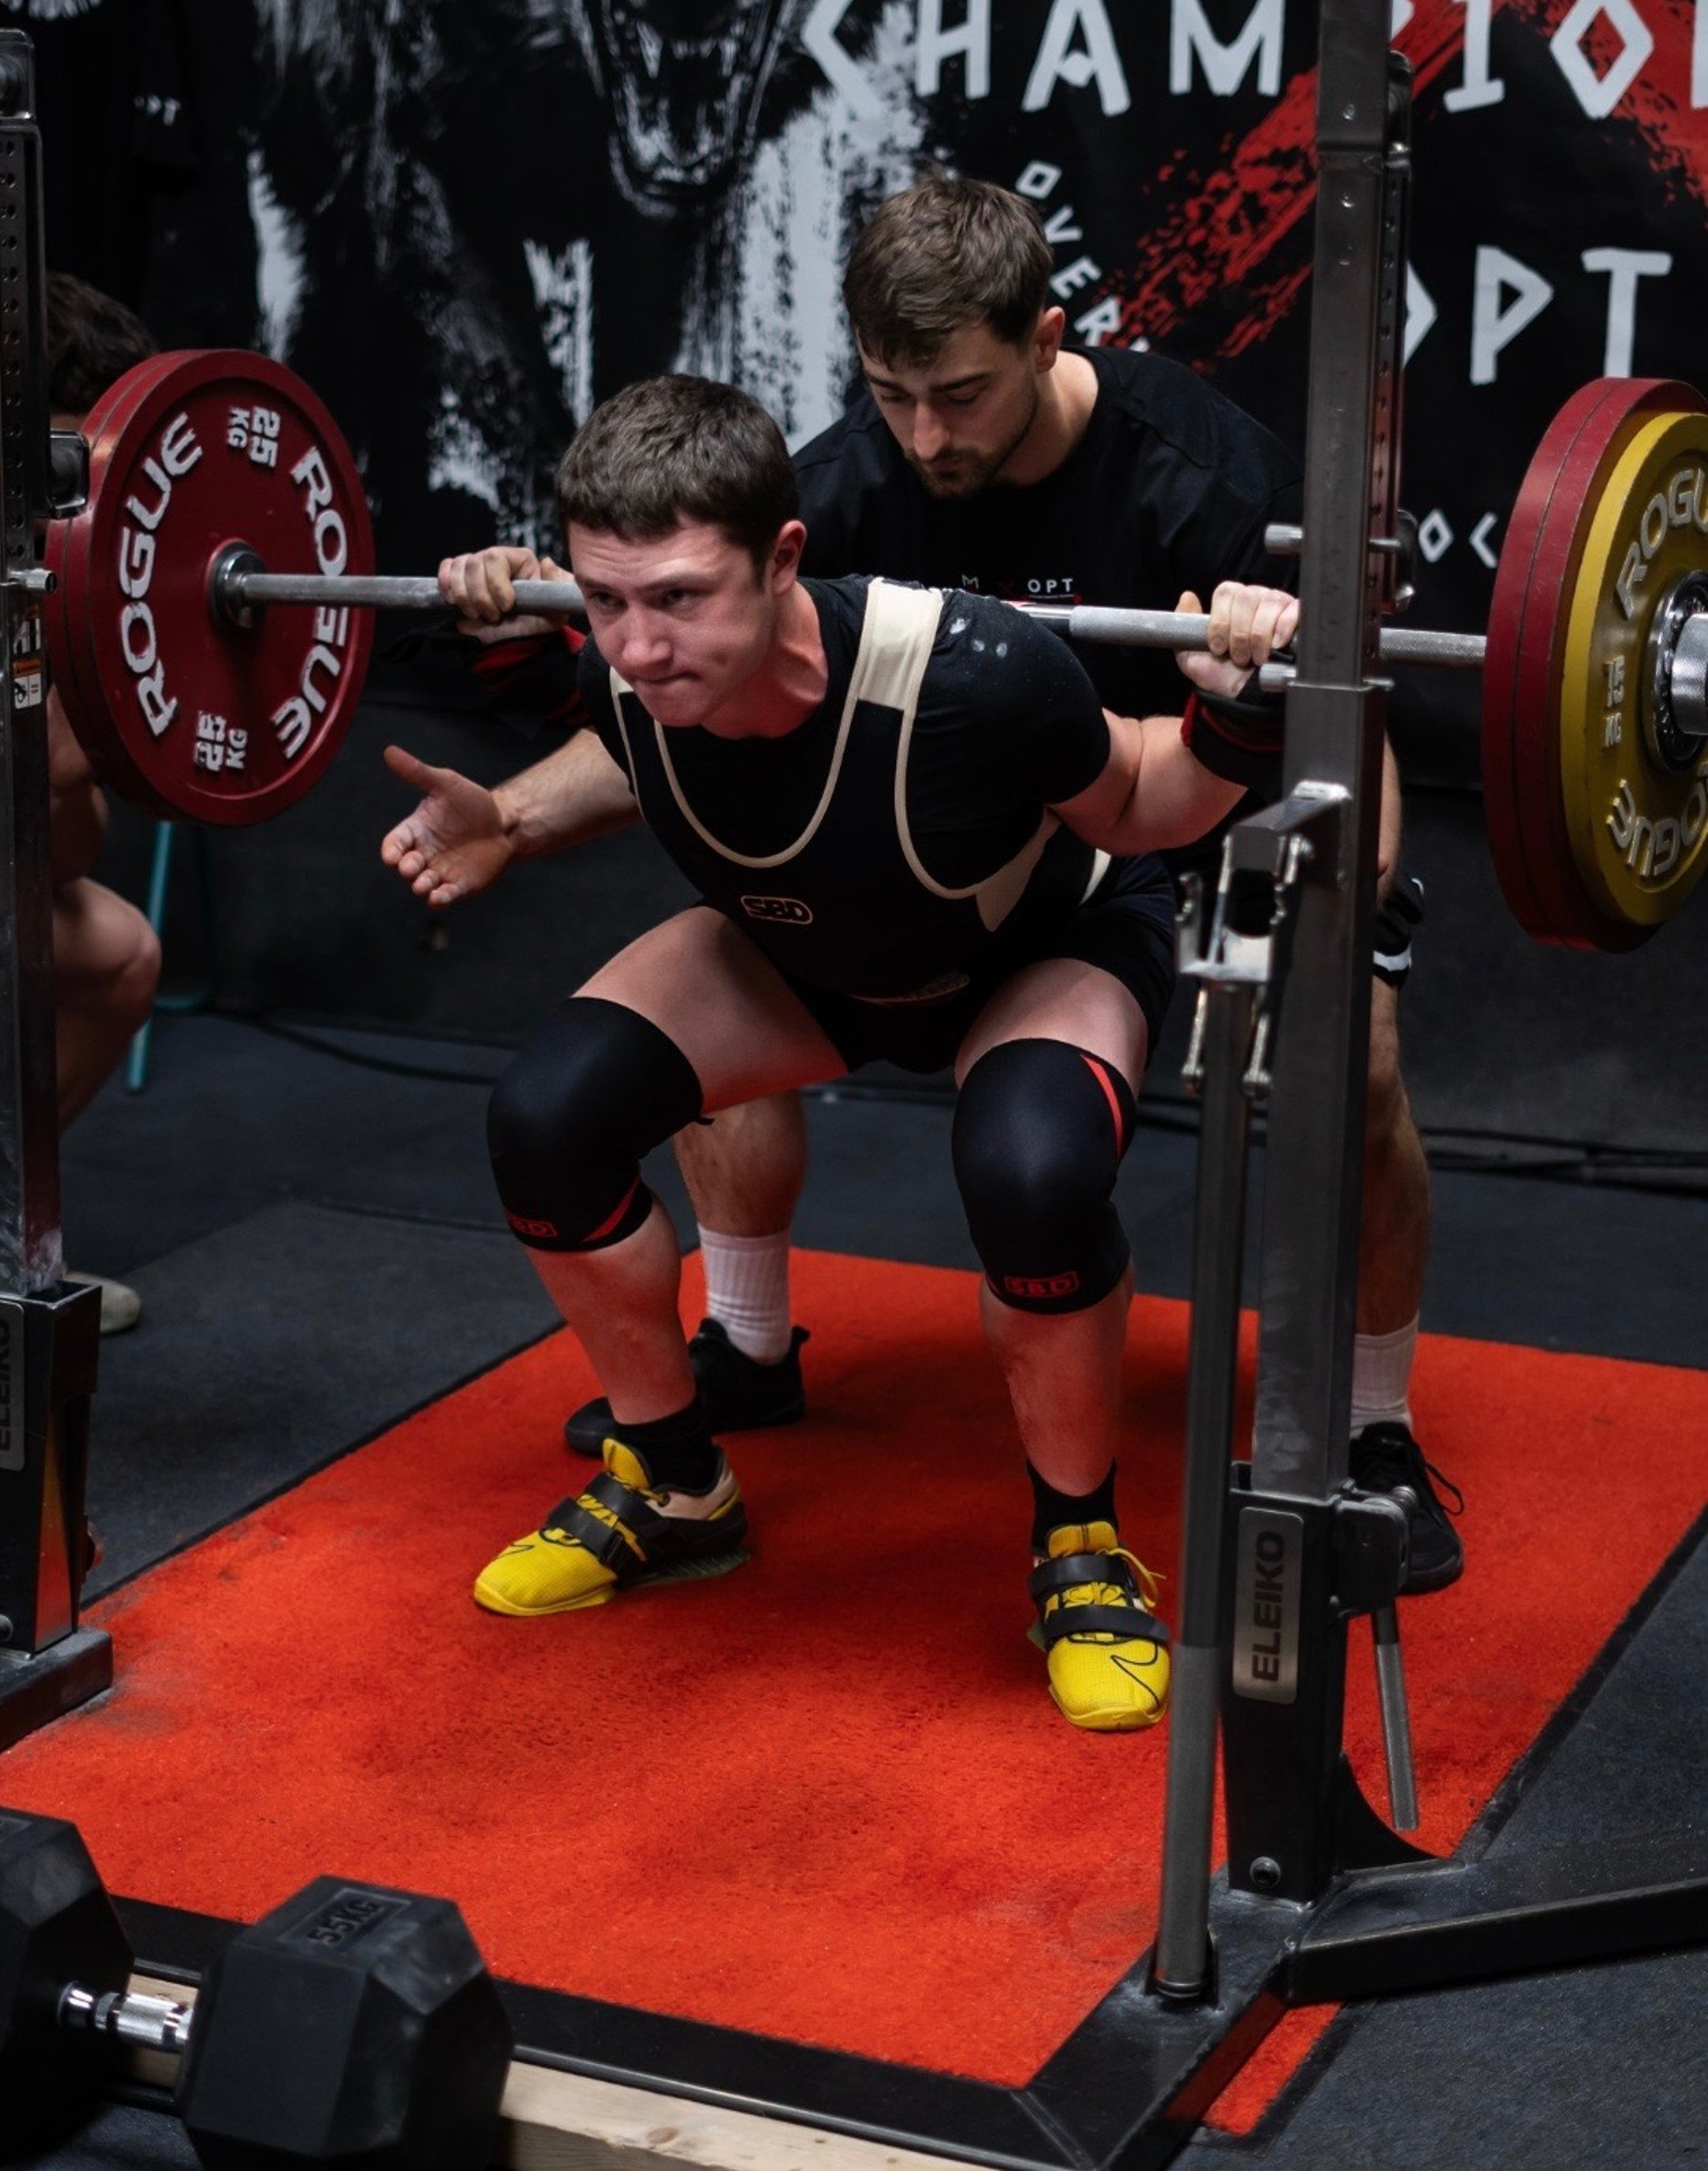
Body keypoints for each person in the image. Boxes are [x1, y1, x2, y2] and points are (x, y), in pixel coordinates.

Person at [434, 180, 1457, 1596]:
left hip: (1168, 807)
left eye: (960, 393)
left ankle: (1373, 1427)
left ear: (1047, 338)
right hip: (906, 834)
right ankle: (741, 1348)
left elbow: (1340, 701)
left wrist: (1352, 896)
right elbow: (677, 701)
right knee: (734, 936)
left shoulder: (1204, 474)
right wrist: (504, 815)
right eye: (891, 392)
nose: (926, 435)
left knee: (1359, 1059)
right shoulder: (847, 487)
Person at [382, 371, 1297, 1731]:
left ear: (785, 557)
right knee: (547, 1120)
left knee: (1034, 1176)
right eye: (608, 598)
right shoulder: (625, 659)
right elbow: (614, 734)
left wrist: (1240, 700)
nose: (638, 643)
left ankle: (1080, 1541)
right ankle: (675, 1478)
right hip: (809, 958)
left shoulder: (976, 669)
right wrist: (505, 816)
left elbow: (1153, 803)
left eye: (681, 597)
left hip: (1032, 954)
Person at [0, 274, 163, 1328]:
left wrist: (60, 766)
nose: (75, 500)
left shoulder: (41, 570)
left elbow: (64, 858)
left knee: (118, 949)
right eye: (64, 465)